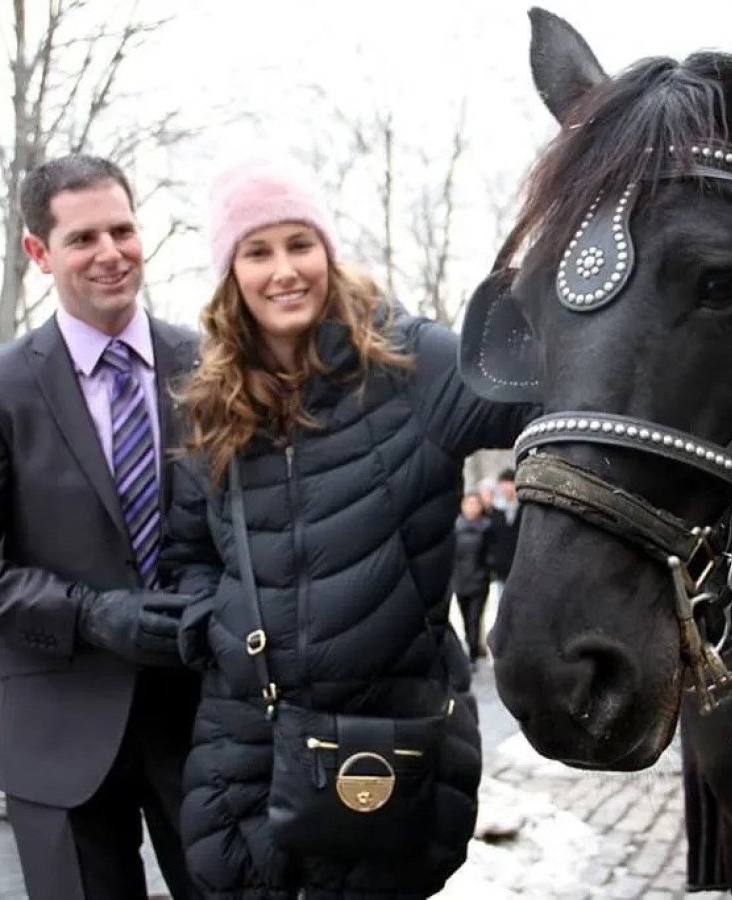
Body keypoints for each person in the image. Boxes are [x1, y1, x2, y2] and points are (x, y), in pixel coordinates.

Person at [163, 159, 533, 899]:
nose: (283, 270)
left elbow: (550, 406)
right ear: (231, 273)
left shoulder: (414, 363)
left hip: (385, 747)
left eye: (300, 244)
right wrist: (216, 626)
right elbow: (188, 554)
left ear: (328, 251)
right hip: (245, 748)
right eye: (257, 251)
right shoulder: (209, 402)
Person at [0, 154, 200, 900]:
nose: (110, 253)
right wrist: (86, 615)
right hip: (57, 734)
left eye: (122, 230)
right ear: (39, 253)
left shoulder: (210, 366)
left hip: (206, 725)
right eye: (82, 239)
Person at [452, 491, 493, 664]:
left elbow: (491, 553)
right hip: (460, 580)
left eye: (475, 504)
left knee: (475, 618)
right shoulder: (455, 527)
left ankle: (474, 653)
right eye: (468, 504)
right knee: (465, 618)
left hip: (479, 580)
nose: (471, 507)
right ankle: (471, 646)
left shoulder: (487, 527)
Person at [486, 468, 521, 597]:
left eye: (509, 483)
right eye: (503, 484)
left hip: (521, 564)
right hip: (501, 568)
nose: (506, 488)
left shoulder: (524, 508)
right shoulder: (495, 511)